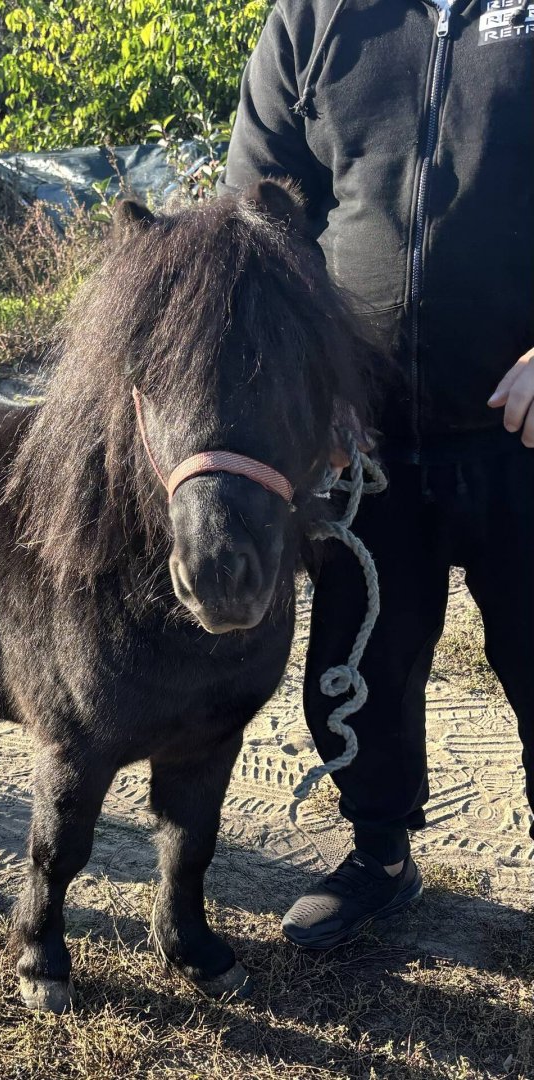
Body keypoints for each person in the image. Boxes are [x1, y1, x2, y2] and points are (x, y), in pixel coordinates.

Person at [217, 0, 534, 947]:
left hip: (522, 431)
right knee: (362, 661)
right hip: (367, 442)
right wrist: (323, 383)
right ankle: (382, 856)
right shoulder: (316, 18)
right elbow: (259, 219)